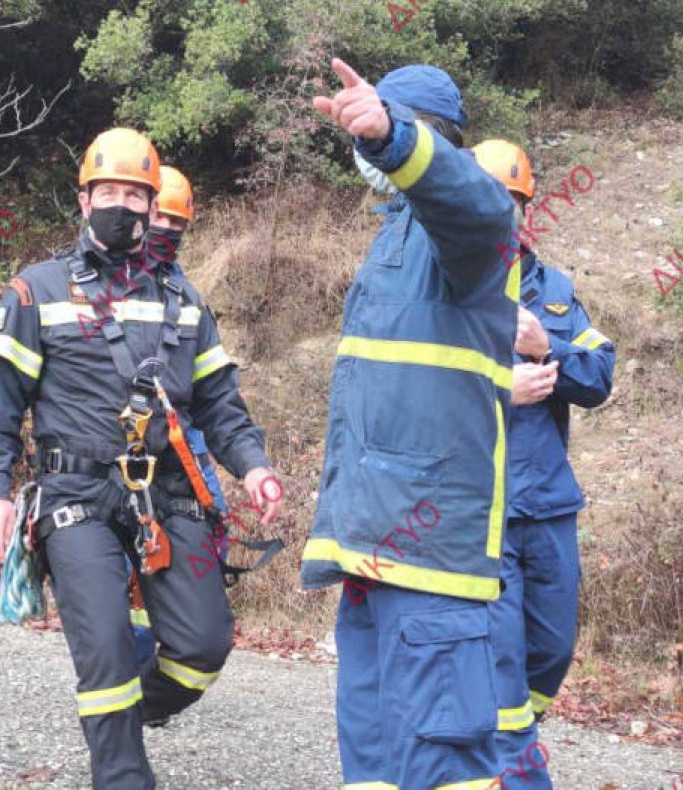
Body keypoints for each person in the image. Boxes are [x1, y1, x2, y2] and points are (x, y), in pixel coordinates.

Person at [0, 127, 281, 789]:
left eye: (134, 195)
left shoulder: (186, 300)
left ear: (151, 205)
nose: (120, 205)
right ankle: (121, 773)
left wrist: (253, 465)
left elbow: (220, 403)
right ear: (84, 201)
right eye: (106, 191)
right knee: (106, 648)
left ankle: (120, 716)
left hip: (167, 497)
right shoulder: (37, 292)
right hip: (75, 497)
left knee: (202, 647)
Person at [299, 59, 535, 789]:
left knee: (439, 770)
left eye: (393, 123)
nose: (362, 145)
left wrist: (393, 138)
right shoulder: (390, 241)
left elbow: (482, 207)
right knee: (371, 769)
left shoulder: (466, 240)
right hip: (369, 555)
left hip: (431, 558)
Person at [473, 140, 615, 726]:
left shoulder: (554, 291)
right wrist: (498, 387)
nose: (505, 213)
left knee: (551, 651)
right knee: (500, 650)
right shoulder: (451, 291)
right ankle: (507, 755)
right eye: (491, 200)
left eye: (515, 202)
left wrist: (545, 348)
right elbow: (419, 393)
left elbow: (599, 376)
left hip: (550, 505)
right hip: (486, 506)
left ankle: (514, 733)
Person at [130, 164, 229, 667]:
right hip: (125, 452)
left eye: (178, 224)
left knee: (203, 539)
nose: (168, 230)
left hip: (182, 448)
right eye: (161, 219)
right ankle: (131, 667)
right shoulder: (105, 285)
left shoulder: (185, 296)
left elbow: (213, 394)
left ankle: (158, 663)